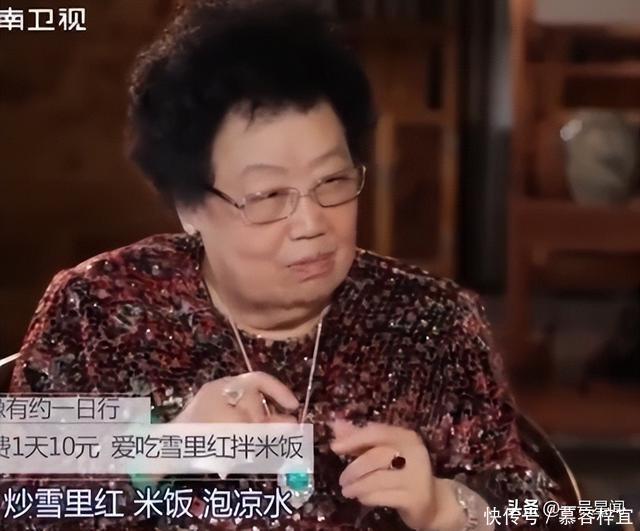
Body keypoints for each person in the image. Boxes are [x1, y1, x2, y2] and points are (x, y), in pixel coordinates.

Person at [7, 0, 565, 529]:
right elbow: (21, 501)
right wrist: (162, 450)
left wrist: (445, 508)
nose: (311, 223)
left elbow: (544, 510)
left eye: (333, 182)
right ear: (189, 207)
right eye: (269, 196)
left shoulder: (432, 321)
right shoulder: (100, 309)